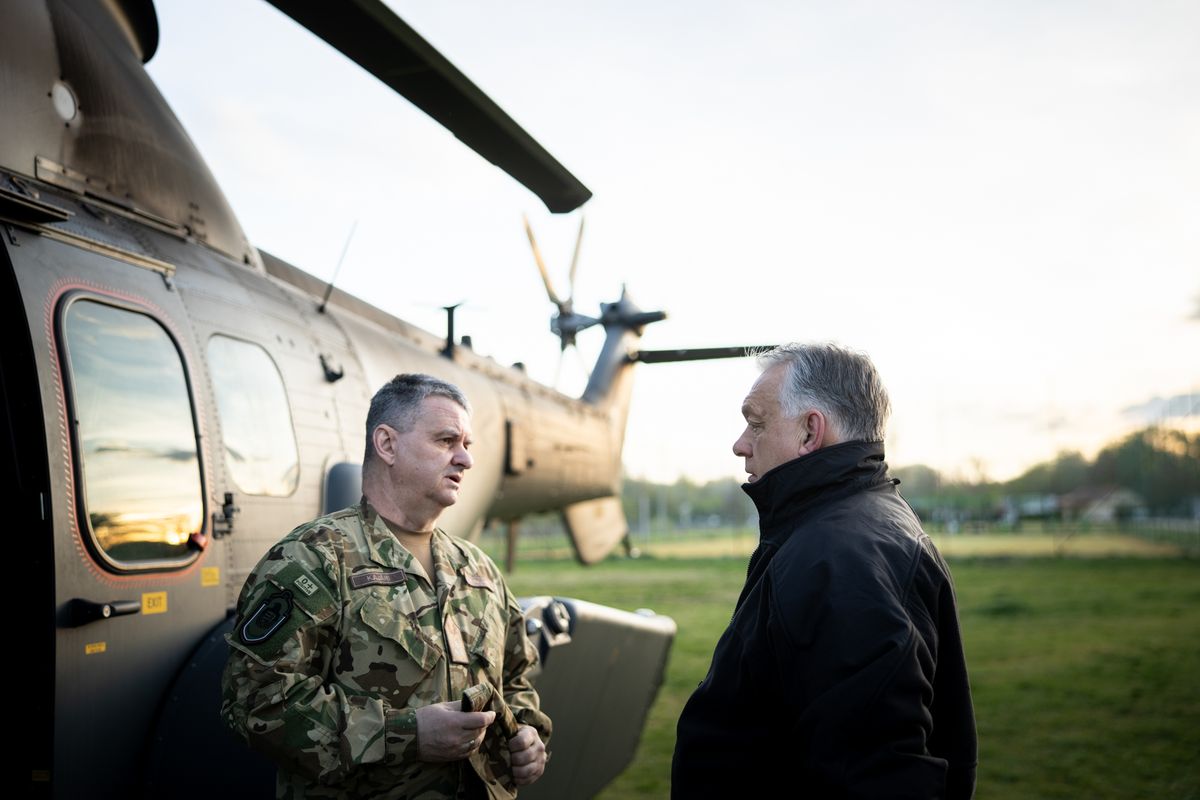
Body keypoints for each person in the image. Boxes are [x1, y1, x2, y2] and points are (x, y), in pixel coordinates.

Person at [221, 374, 550, 799]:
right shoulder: (313, 559)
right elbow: (256, 702)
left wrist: (526, 733)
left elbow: (517, 678)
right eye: (446, 440)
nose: (465, 459)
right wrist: (407, 734)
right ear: (387, 444)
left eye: (467, 445)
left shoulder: (478, 570)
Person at [671, 343, 977, 799]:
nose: (740, 444)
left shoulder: (840, 558)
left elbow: (876, 777)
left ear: (810, 432)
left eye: (757, 423)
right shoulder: (848, 527)